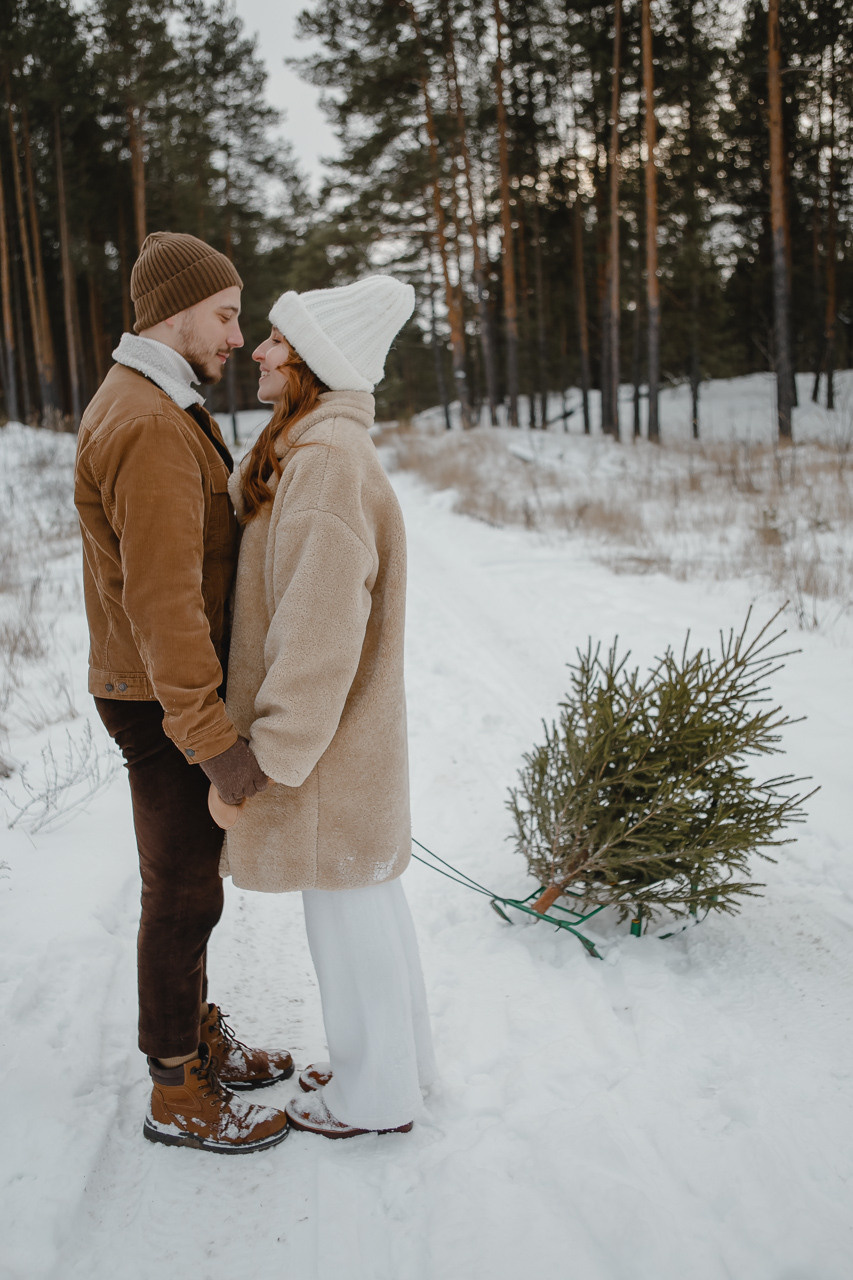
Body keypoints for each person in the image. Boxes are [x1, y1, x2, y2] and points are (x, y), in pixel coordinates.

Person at [74, 231, 292, 1154]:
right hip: (161, 696)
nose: (239, 337)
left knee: (191, 884)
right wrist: (213, 741)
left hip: (156, 687)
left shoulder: (155, 399)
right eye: (227, 315)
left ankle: (194, 1038)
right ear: (174, 314)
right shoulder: (150, 424)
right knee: (181, 893)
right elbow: (163, 603)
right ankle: (176, 1088)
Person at [219, 275, 436, 1138]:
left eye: (277, 340)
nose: (259, 350)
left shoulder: (323, 464)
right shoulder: (316, 451)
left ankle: (375, 1099)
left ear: (312, 361)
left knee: (348, 919)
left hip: (325, 749)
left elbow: (316, 636)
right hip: (343, 746)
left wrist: (264, 760)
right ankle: (397, 1071)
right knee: (364, 902)